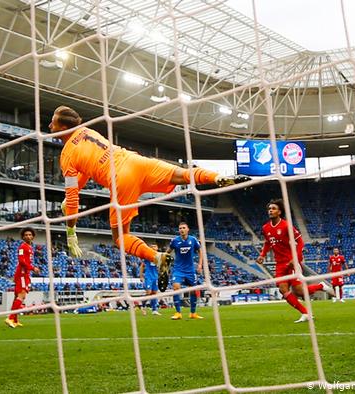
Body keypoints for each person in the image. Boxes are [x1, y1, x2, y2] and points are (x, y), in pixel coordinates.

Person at [50, 106, 249, 275]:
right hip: (135, 162)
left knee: (120, 237)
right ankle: (217, 177)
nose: (50, 126)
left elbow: (73, 197)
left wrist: (70, 232)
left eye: (53, 122)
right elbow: (84, 173)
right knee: (183, 174)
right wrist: (72, 195)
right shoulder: (86, 131)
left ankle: (157, 257)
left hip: (121, 179)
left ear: (64, 128)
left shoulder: (66, 155)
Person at [256, 199, 334, 323]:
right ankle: (306, 313)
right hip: (280, 264)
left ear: (279, 212)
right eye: (269, 209)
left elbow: (300, 242)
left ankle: (321, 286)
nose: (270, 210)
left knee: (299, 292)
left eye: (273, 208)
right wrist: (262, 255)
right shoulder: (265, 228)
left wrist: (295, 258)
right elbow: (267, 242)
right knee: (284, 290)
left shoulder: (286, 225)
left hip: (291, 262)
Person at [167, 222, 204, 320]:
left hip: (190, 270)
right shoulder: (175, 241)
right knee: (176, 287)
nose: (182, 230)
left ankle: (193, 313)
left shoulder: (193, 240)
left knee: (193, 291)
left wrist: (200, 264)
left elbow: (200, 251)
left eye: (183, 228)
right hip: (178, 269)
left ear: (188, 229)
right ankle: (178, 312)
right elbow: (168, 252)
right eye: (180, 228)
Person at [5, 227, 40, 328]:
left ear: (33, 236)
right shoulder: (23, 247)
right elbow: (21, 261)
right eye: (26, 235)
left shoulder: (29, 247)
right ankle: (10, 317)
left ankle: (14, 320)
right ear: (23, 237)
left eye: (30, 235)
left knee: (17, 296)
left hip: (25, 273)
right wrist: (33, 268)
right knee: (22, 295)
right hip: (22, 273)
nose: (28, 236)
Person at [139, 243, 161, 316]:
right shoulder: (147, 256)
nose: (153, 247)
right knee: (148, 292)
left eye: (155, 246)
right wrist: (141, 276)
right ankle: (143, 306)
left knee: (154, 293)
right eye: (152, 247)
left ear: (157, 248)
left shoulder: (159, 256)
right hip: (148, 276)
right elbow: (142, 266)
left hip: (155, 276)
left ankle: (154, 310)